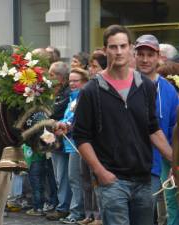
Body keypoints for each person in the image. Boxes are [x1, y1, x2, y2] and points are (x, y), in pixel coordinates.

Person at [72, 24, 173, 225]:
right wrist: (100, 172)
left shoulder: (146, 86)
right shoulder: (91, 91)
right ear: (105, 49)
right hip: (112, 181)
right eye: (113, 47)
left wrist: (174, 160)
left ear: (130, 48)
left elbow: (152, 128)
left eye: (123, 46)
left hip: (144, 179)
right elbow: (82, 137)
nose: (118, 52)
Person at [135, 34, 179, 225]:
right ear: (133, 55)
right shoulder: (121, 85)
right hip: (122, 168)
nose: (145, 59)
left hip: (156, 167)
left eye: (150, 54)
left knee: (152, 216)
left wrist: (174, 165)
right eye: (141, 54)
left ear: (158, 56)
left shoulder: (169, 90)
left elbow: (173, 133)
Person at [58, 68, 89, 224]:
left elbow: (76, 120)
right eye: (70, 80)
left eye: (76, 80)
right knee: (73, 179)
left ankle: (77, 212)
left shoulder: (82, 98)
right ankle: (79, 211)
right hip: (69, 143)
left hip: (78, 144)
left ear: (84, 82)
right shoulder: (72, 98)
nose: (72, 84)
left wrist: (67, 125)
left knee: (75, 179)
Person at [46, 61, 71, 221]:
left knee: (62, 175)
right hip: (51, 138)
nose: (48, 78)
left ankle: (63, 207)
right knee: (55, 174)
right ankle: (59, 204)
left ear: (61, 78)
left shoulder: (66, 93)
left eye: (51, 75)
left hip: (62, 139)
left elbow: (52, 112)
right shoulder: (54, 92)